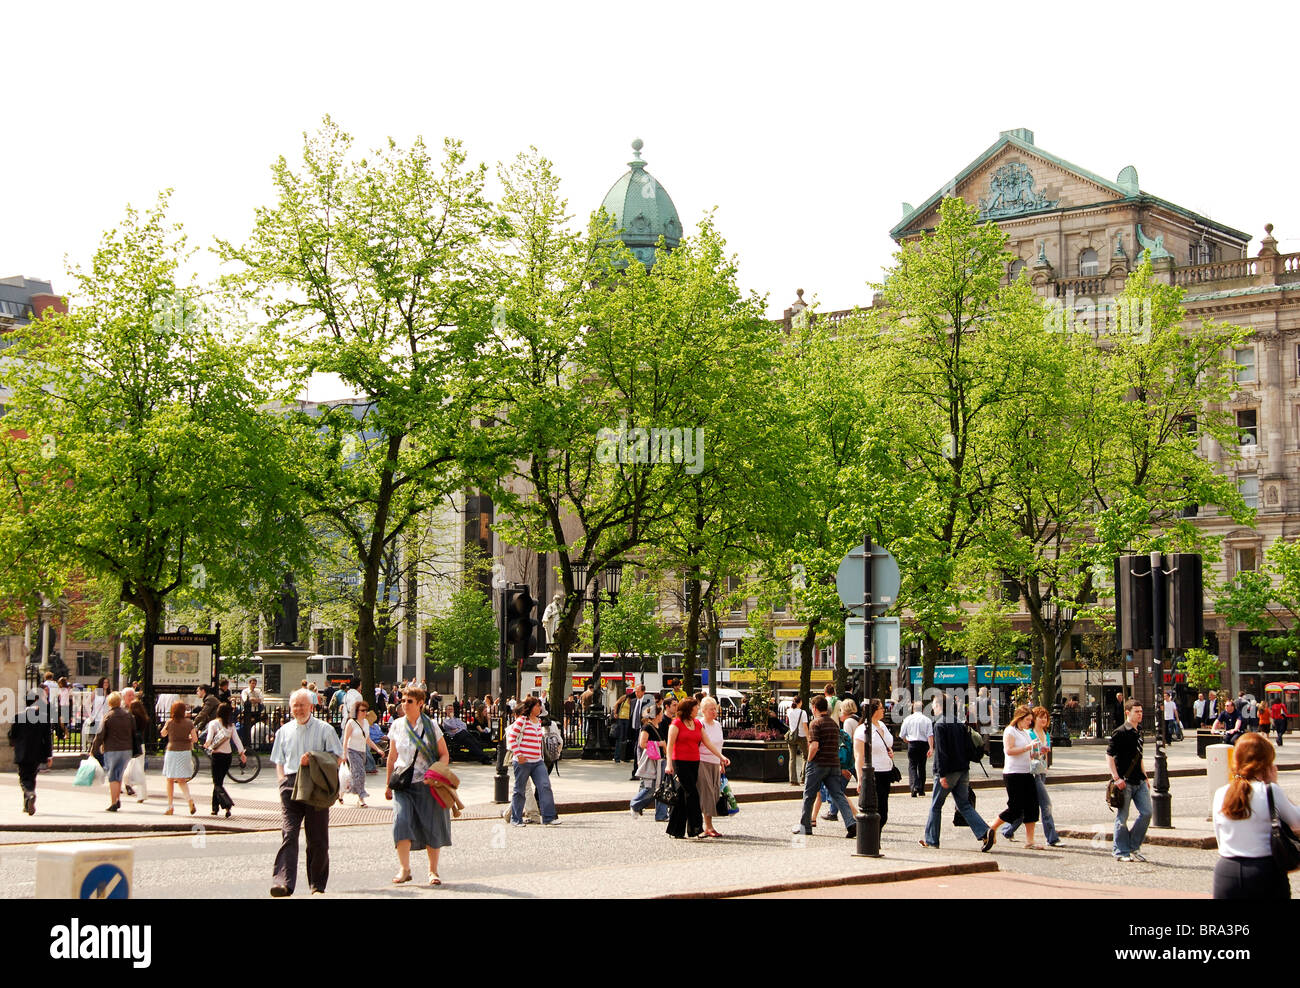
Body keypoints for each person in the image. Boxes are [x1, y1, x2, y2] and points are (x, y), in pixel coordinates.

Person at [269, 688, 344, 896]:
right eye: (295, 705)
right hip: (290, 784)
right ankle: (283, 882)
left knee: (317, 838)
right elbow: (279, 760)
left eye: (302, 705)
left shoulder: (325, 729)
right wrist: (282, 780)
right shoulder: (283, 731)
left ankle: (317, 885)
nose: (298, 709)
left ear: (311, 706)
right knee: (289, 834)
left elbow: (338, 757)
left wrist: (314, 759)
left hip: (316, 785)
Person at [1212, 732, 1299, 898]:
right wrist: (1275, 784)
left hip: (1226, 871)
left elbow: (1219, 838)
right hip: (1263, 871)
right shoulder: (1269, 791)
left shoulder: (1220, 793)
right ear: (1264, 764)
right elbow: (1296, 821)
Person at [384, 687, 452, 886]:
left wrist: (435, 773)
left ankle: (433, 871)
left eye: (409, 701)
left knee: (431, 826)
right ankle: (405, 869)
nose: (404, 704)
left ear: (421, 703)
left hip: (427, 784)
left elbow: (444, 754)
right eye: (403, 700)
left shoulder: (431, 726)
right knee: (401, 822)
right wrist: (388, 784)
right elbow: (392, 757)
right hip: (403, 784)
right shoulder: (397, 725)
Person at [921, 694, 993, 849]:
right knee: (964, 805)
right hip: (963, 769)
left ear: (940, 705)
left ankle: (931, 840)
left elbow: (941, 752)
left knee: (936, 805)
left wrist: (942, 774)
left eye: (933, 704)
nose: (932, 707)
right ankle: (984, 831)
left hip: (949, 772)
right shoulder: (959, 723)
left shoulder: (940, 725)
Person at [666, 697, 729, 839]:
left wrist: (721, 757)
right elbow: (670, 746)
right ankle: (696, 828)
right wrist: (669, 764)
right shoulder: (676, 724)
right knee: (692, 794)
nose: (697, 710)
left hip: (694, 762)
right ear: (689, 709)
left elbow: (707, 743)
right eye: (695, 708)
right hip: (680, 762)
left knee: (683, 796)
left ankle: (676, 829)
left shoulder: (696, 724)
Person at [999, 706, 1061, 846]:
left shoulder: (1045, 734)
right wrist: (1030, 749)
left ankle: (1009, 831)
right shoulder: (1026, 733)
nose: (1044, 720)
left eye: (1046, 717)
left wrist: (1041, 752)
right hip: (1028, 773)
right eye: (1040, 717)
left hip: (1038, 771)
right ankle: (1052, 838)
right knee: (1045, 805)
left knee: (1026, 807)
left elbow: (1035, 753)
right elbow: (1010, 750)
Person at [983, 705, 1042, 850]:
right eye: (1027, 720)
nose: (1030, 722)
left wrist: (1037, 751)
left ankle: (1030, 840)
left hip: (1027, 772)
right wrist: (1028, 748)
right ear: (1019, 718)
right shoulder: (1010, 731)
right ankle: (992, 826)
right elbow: (1009, 751)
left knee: (1032, 806)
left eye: (1030, 720)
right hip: (1013, 774)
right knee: (1015, 807)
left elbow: (1028, 751)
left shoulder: (1026, 732)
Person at [1107, 698, 1151, 862]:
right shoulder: (1120, 732)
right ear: (1127, 712)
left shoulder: (1139, 731)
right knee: (1122, 817)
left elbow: (1139, 757)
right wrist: (1116, 778)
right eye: (1136, 712)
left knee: (1147, 813)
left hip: (1139, 780)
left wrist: (1145, 776)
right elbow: (1109, 755)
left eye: (1141, 711)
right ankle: (1120, 850)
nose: (1140, 714)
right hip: (1124, 781)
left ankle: (1133, 845)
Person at [507, 697, 559, 827]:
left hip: (537, 761)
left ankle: (549, 817)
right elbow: (512, 737)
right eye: (537, 706)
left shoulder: (538, 722)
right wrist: (518, 754)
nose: (539, 708)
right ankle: (516, 819)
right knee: (519, 790)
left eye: (540, 706)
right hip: (522, 762)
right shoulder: (522, 721)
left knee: (545, 786)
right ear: (530, 708)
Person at [851, 699, 894, 831]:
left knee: (883, 811)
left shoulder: (882, 725)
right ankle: (872, 840)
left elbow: (887, 743)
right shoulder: (862, 729)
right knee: (875, 810)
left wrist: (889, 750)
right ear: (874, 711)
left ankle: (875, 838)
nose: (883, 710)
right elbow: (858, 756)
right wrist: (860, 778)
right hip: (873, 773)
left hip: (886, 771)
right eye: (881, 708)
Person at [9, 689, 53, 815]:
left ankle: (29, 794)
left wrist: (13, 744)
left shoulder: (18, 717)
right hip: (37, 753)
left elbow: (13, 735)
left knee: (23, 778)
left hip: (22, 753)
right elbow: (47, 739)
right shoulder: (44, 718)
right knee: (32, 776)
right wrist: (49, 755)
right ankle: (27, 803)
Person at [90, 691, 135, 812]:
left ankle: (113, 802)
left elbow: (100, 735)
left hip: (113, 749)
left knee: (112, 776)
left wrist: (93, 750)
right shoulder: (128, 715)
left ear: (109, 703)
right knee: (119, 774)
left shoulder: (108, 716)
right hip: (127, 750)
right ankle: (117, 798)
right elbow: (133, 732)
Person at [203, 702, 246, 817]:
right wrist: (242, 753)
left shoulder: (213, 723)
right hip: (228, 756)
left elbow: (209, 739)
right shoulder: (230, 725)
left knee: (217, 783)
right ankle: (214, 808)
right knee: (219, 782)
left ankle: (227, 804)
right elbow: (237, 740)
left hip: (217, 756)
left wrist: (207, 744)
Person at [340, 700, 384, 807]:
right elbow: (345, 740)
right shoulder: (351, 723)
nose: (365, 713)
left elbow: (368, 739)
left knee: (355, 774)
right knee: (360, 773)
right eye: (362, 710)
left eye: (366, 710)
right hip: (352, 751)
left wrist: (377, 749)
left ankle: (341, 792)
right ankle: (361, 797)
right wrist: (344, 754)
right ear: (356, 711)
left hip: (362, 751)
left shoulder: (365, 723)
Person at [161, 700, 198, 816]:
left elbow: (163, 734)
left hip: (172, 751)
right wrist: (187, 739)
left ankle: (170, 806)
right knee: (181, 780)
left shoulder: (170, 722)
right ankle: (189, 799)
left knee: (170, 779)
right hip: (185, 751)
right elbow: (195, 739)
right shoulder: (189, 723)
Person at [697, 696, 727, 838]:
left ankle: (707, 825)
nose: (714, 711)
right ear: (703, 710)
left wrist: (721, 761)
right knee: (707, 793)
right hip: (702, 761)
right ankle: (708, 826)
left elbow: (719, 745)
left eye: (715, 708)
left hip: (715, 761)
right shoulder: (700, 724)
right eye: (711, 709)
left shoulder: (718, 724)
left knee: (714, 793)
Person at [630, 710, 665, 819]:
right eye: (660, 714)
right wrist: (659, 744)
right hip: (650, 761)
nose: (662, 716)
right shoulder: (647, 727)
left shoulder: (658, 727)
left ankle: (661, 814)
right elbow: (642, 743)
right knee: (650, 787)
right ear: (656, 715)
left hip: (660, 759)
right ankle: (635, 804)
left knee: (660, 787)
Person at [899, 700, 934, 798]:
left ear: (913, 709)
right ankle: (922, 789)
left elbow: (902, 735)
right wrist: (931, 748)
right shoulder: (927, 720)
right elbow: (930, 735)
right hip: (923, 744)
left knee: (912, 766)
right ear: (923, 709)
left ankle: (914, 786)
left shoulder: (908, 719)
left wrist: (907, 741)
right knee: (922, 766)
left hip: (912, 744)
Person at [125, 698, 152, 802]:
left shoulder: (131, 718)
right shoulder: (144, 718)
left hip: (133, 745)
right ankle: (143, 794)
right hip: (141, 744)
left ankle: (140, 795)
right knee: (140, 770)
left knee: (134, 770)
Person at [785, 696, 808, 786]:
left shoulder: (789, 711)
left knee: (792, 758)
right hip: (801, 736)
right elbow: (805, 726)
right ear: (800, 702)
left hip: (792, 736)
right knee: (805, 756)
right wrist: (808, 738)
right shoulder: (803, 712)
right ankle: (803, 777)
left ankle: (793, 780)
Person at [83, 677, 110, 756]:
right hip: (97, 718)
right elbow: (86, 703)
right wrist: (91, 716)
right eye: (104, 682)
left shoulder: (109, 693)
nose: (106, 684)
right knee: (96, 739)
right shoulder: (96, 692)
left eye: (107, 682)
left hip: (106, 718)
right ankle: (95, 755)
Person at [611, 688, 633, 764]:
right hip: (621, 719)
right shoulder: (624, 698)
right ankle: (617, 757)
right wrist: (615, 713)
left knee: (625, 739)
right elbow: (616, 703)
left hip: (627, 720)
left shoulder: (633, 700)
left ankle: (624, 756)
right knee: (620, 738)